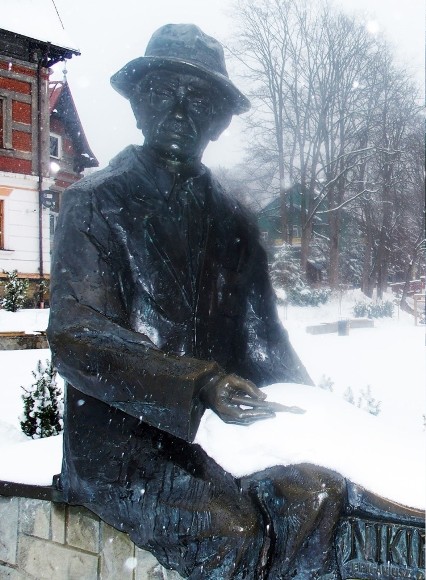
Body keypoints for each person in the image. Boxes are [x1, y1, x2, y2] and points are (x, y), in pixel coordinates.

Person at [47, 24, 406, 580]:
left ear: (218, 121)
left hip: (219, 434)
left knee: (316, 498)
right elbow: (77, 337)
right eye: (166, 91)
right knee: (233, 532)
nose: (181, 110)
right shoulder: (95, 204)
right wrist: (200, 383)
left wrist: (318, 421)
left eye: (201, 100)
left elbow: (265, 344)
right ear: (140, 101)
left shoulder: (234, 221)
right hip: (121, 438)